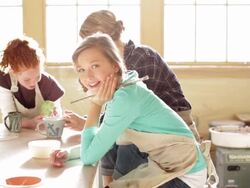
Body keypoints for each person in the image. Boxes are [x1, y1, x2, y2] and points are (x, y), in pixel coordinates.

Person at [63, 9, 203, 186]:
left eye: (94, 62)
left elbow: (112, 125)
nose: (88, 75)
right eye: (81, 68)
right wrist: (70, 153)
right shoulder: (122, 78)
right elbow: (111, 127)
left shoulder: (140, 61)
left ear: (105, 44)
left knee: (121, 145)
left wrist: (90, 116)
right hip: (151, 140)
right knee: (116, 143)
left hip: (176, 149)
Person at [0, 36, 64, 129]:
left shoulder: (48, 83)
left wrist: (55, 114)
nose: (33, 83)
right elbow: (9, 120)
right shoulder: (5, 80)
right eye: (27, 79)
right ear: (13, 72)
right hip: (16, 133)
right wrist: (31, 123)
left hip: (41, 132)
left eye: (38, 76)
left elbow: (57, 115)